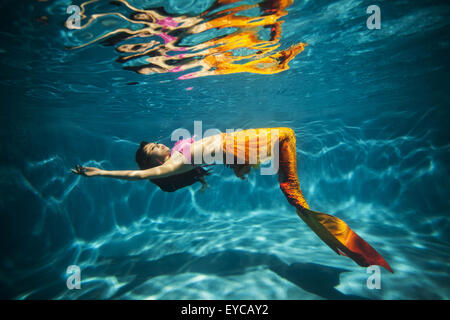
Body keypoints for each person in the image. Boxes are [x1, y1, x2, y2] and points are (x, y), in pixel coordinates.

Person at [72, 127, 393, 272]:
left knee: (287, 150)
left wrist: (235, 164)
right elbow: (139, 176)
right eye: (151, 151)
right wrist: (100, 173)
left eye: (154, 144)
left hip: (238, 146)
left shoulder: (178, 154)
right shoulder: (169, 167)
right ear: (154, 164)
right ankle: (329, 229)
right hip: (240, 144)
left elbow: (211, 153)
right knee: (286, 140)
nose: (157, 146)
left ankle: (318, 221)